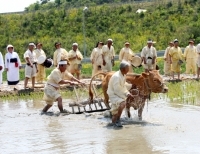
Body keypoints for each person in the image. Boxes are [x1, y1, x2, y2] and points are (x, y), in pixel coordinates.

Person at [107, 61, 133, 127]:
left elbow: (123, 86)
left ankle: (114, 124)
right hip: (113, 94)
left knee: (115, 113)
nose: (128, 70)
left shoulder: (123, 75)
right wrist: (127, 94)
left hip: (117, 93)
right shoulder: (117, 77)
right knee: (123, 103)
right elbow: (117, 89)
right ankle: (118, 119)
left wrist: (129, 89)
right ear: (123, 69)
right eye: (127, 69)